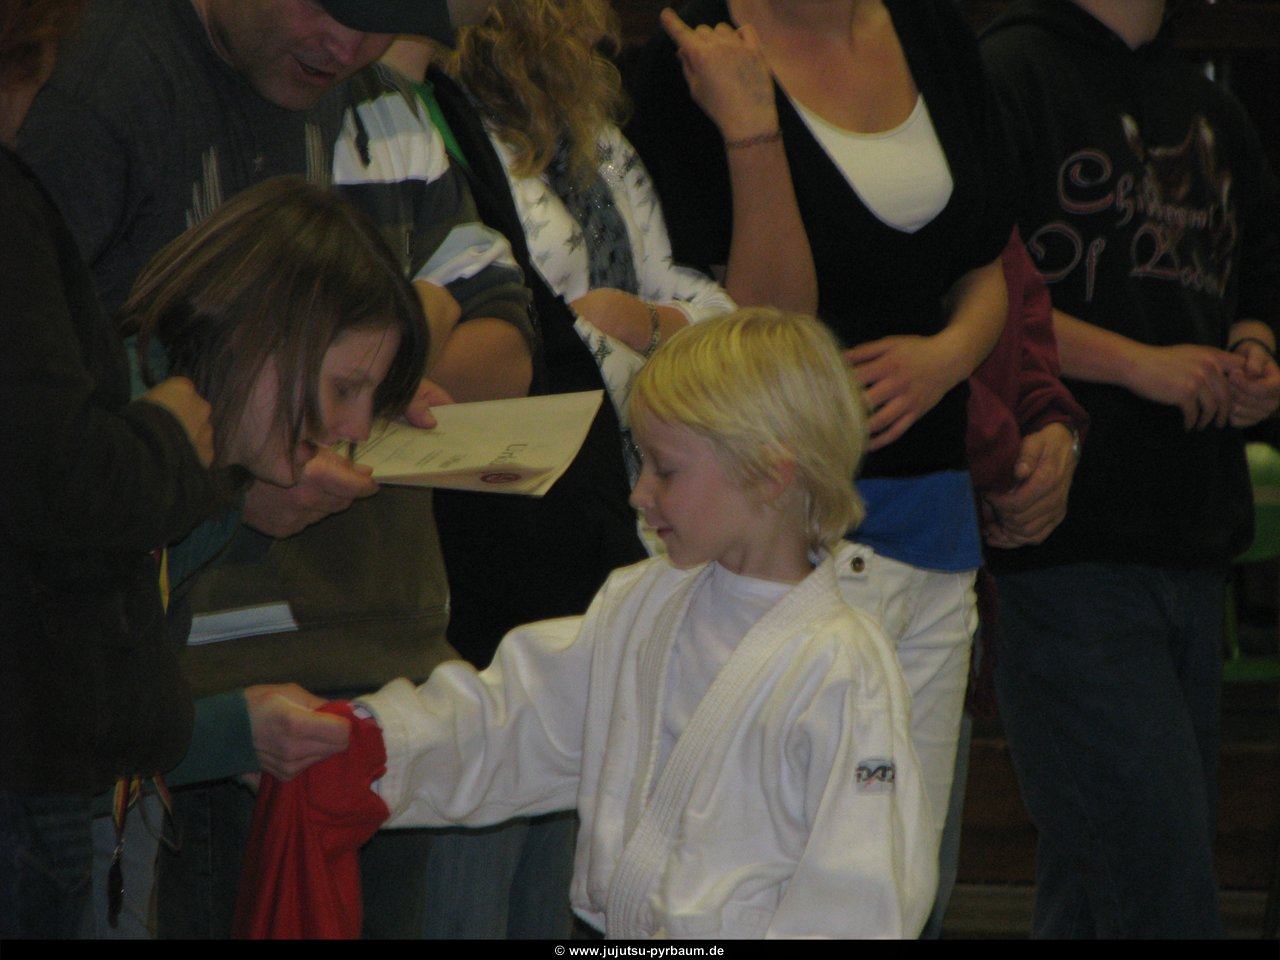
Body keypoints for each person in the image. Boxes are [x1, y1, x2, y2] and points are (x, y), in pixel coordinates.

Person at [15, 0, 530, 938]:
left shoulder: (191, 469)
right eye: (341, 390)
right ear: (261, 333)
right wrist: (230, 730)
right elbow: (77, 714)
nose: (350, 429)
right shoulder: (123, 468)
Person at [350, 308, 935, 938]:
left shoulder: (841, 669)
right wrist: (371, 746)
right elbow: (517, 720)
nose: (639, 493)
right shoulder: (644, 602)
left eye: (666, 469)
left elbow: (860, 894)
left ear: (769, 474)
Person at [622, 0, 1013, 862]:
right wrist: (753, 133)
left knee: (908, 866)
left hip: (932, 515)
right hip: (779, 516)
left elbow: (987, 265)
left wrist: (946, 358)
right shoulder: (697, 49)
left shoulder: (931, 30)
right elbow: (758, 330)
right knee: (762, 857)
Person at [377, 4, 734, 935]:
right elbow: (518, 342)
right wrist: (602, 333)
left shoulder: (578, 134)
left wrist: (644, 324)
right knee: (475, 845)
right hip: (480, 538)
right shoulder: (427, 109)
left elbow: (677, 307)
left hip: (586, 516)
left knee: (569, 865)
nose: (596, 26)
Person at [979, 0, 1280, 937]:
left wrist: (1255, 350)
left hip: (1192, 537)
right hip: (1071, 545)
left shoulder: (1207, 104)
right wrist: (1141, 365)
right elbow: (981, 295)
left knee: (1102, 879)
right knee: (1160, 885)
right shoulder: (1011, 70)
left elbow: (1257, 268)